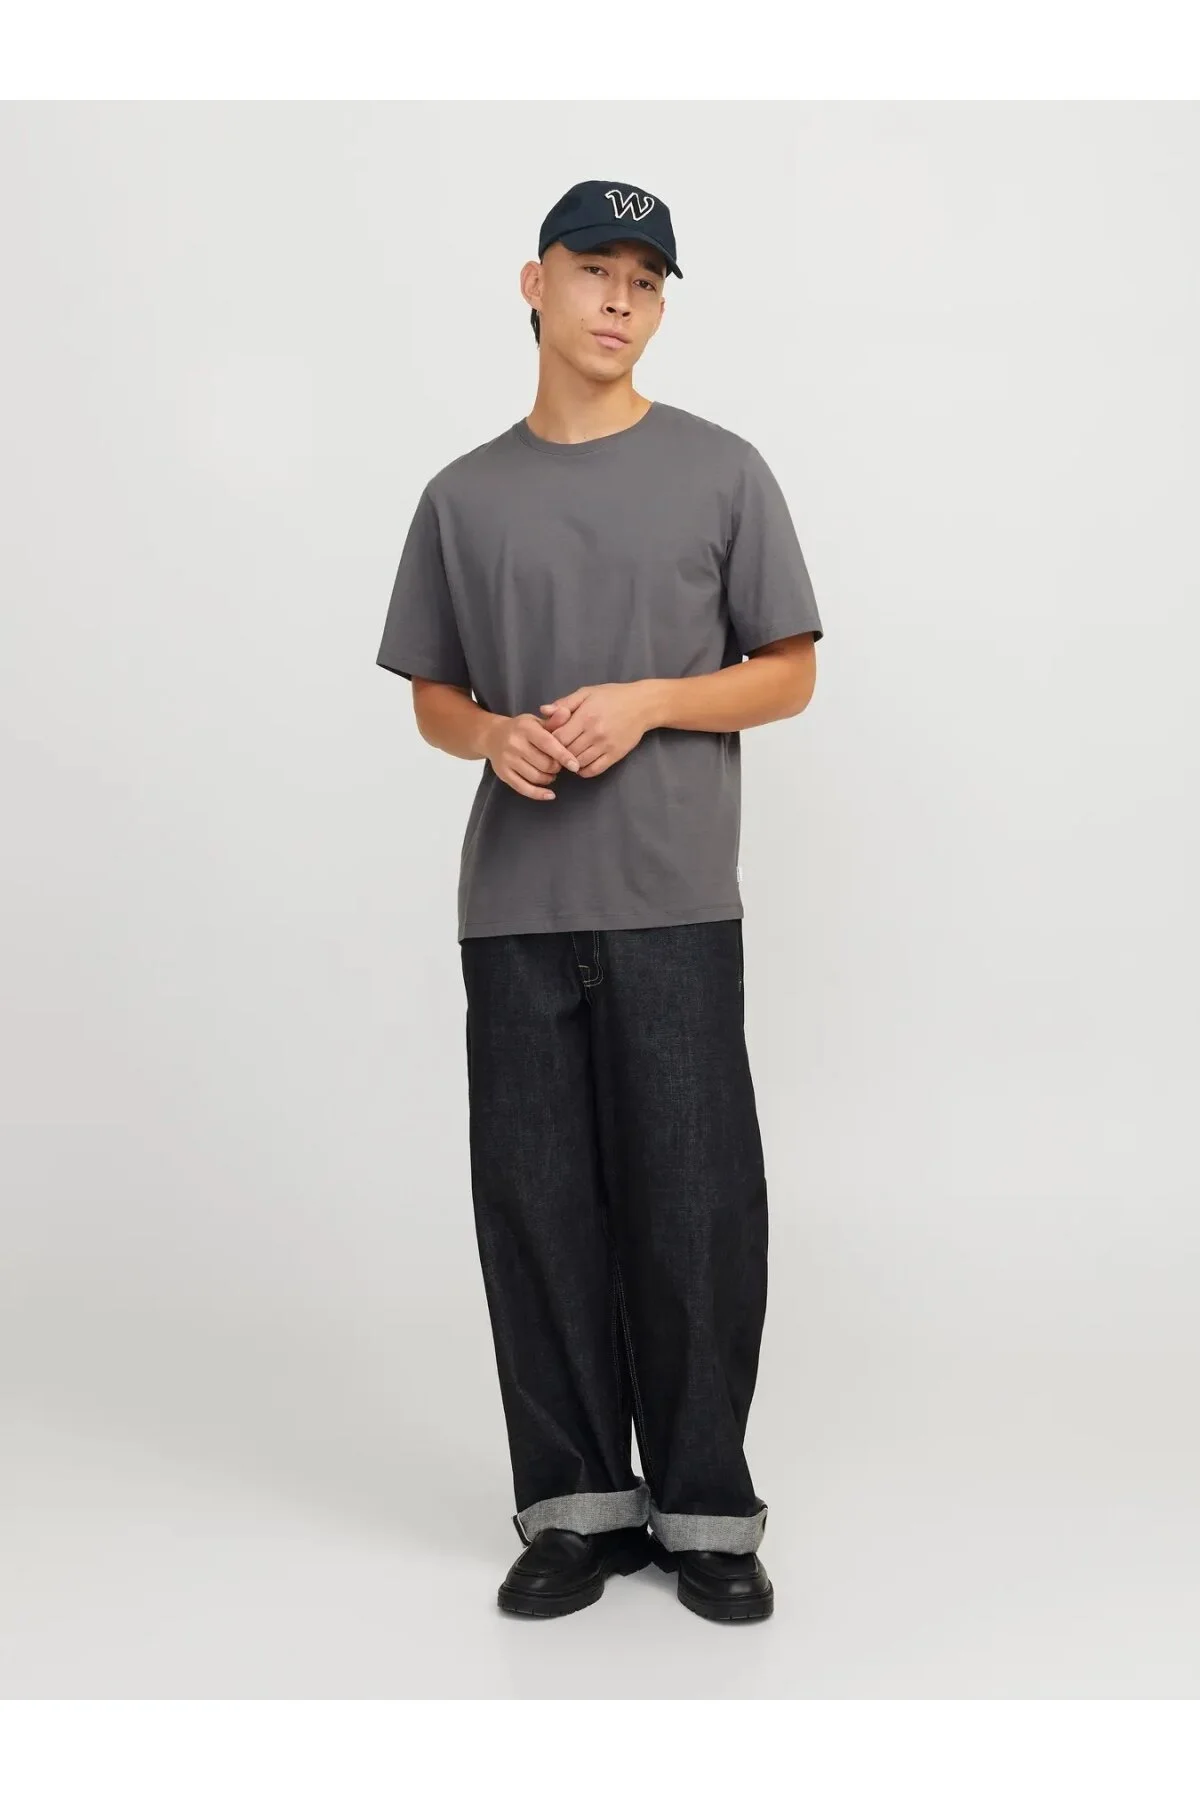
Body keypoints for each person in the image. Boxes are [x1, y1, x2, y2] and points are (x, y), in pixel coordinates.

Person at [376, 179, 824, 1624]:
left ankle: (705, 1509)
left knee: (694, 1204)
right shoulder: (463, 497)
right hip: (515, 905)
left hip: (674, 899)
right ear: (535, 284)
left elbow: (789, 673)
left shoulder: (722, 472)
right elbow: (435, 695)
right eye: (594, 271)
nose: (621, 301)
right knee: (538, 1203)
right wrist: (489, 734)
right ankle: (576, 1508)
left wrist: (648, 702)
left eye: (647, 280)